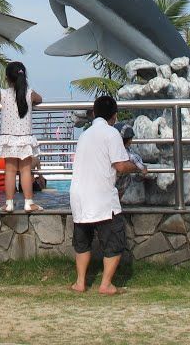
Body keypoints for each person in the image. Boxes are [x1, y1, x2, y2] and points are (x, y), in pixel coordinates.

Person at [69, 95, 144, 295]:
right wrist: (136, 167)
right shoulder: (111, 134)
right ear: (114, 115)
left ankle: (80, 282)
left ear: (94, 112)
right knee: (114, 240)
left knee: (82, 241)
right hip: (101, 196)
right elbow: (120, 165)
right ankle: (106, 284)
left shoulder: (84, 135)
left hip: (78, 195)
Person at [0, 61, 44, 212]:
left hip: (8, 138)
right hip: (24, 138)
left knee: (9, 171)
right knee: (25, 171)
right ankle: (29, 202)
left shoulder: (3, 93)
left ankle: (8, 204)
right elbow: (40, 99)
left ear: (7, 77)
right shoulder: (30, 93)